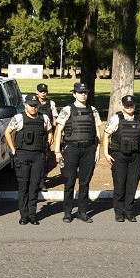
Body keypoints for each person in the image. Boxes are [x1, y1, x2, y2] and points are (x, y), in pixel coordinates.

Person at [55, 83, 102, 223]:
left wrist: (97, 149)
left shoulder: (93, 110)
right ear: (74, 94)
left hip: (88, 149)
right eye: (80, 92)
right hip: (71, 149)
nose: (83, 95)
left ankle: (82, 211)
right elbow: (59, 131)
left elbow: (97, 132)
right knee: (69, 181)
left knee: (85, 182)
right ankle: (68, 212)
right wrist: (57, 151)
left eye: (85, 92)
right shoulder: (67, 110)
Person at [102, 94, 140, 222]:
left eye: (131, 105)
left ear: (135, 105)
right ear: (123, 106)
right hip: (119, 156)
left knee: (132, 184)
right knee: (119, 184)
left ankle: (129, 211)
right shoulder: (116, 119)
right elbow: (106, 135)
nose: (129, 107)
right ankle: (119, 212)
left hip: (135, 155)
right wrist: (107, 153)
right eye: (127, 105)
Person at [5, 94, 53, 224]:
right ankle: (23, 215)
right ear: (25, 105)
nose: (33, 108)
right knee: (23, 186)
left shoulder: (44, 118)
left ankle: (32, 215)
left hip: (38, 156)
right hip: (22, 155)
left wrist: (48, 144)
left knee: (34, 186)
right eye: (31, 105)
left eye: (35, 105)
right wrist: (13, 149)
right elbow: (7, 132)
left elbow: (49, 131)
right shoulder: (19, 118)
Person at [35, 83, 59, 194]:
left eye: (45, 91)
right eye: (41, 91)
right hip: (35, 134)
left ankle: (42, 181)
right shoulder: (33, 102)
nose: (43, 93)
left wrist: (52, 134)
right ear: (37, 92)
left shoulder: (51, 103)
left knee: (45, 158)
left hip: (46, 134)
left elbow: (54, 120)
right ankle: (35, 181)